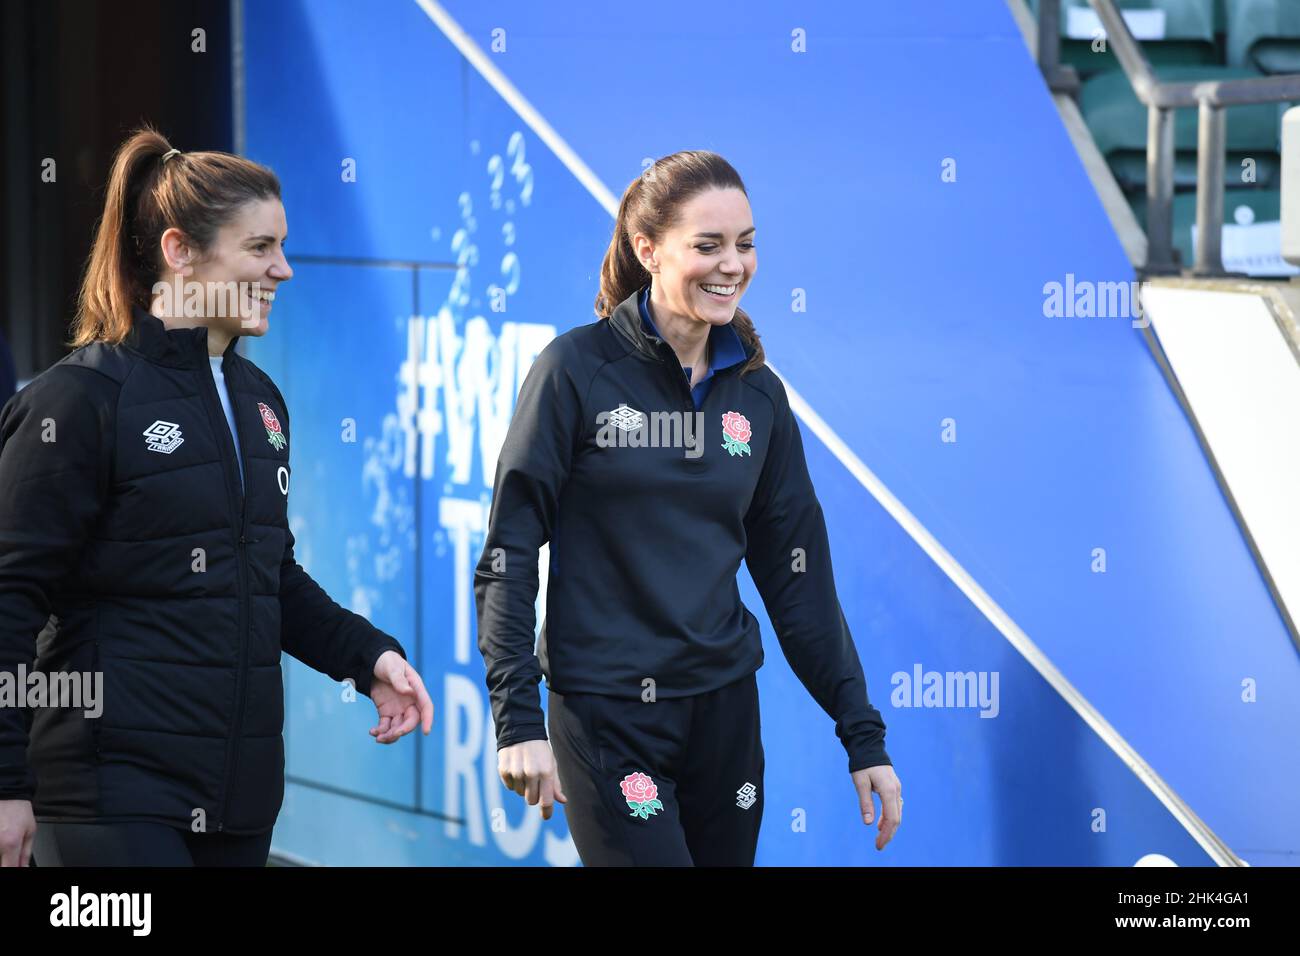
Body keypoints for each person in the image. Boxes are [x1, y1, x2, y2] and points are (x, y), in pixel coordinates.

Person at [0, 127, 434, 868]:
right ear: (180, 251)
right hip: (110, 798)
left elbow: (269, 575)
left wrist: (366, 658)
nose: (284, 270)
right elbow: (9, 595)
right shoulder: (78, 401)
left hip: (238, 806)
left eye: (283, 246)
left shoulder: (259, 400)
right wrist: (6, 784)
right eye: (260, 248)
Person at [475, 150, 901, 866]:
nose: (732, 264)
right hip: (608, 717)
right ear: (648, 250)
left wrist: (861, 732)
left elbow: (798, 579)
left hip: (725, 716)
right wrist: (518, 717)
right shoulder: (575, 372)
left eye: (746, 243)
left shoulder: (758, 393)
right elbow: (509, 553)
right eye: (708, 245)